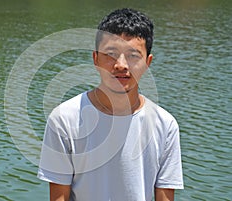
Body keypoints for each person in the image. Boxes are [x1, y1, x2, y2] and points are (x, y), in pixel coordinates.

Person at [38, 8, 184, 201]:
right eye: (111, 54)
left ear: (148, 62)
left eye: (133, 55)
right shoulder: (64, 119)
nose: (121, 65)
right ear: (95, 58)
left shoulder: (165, 124)